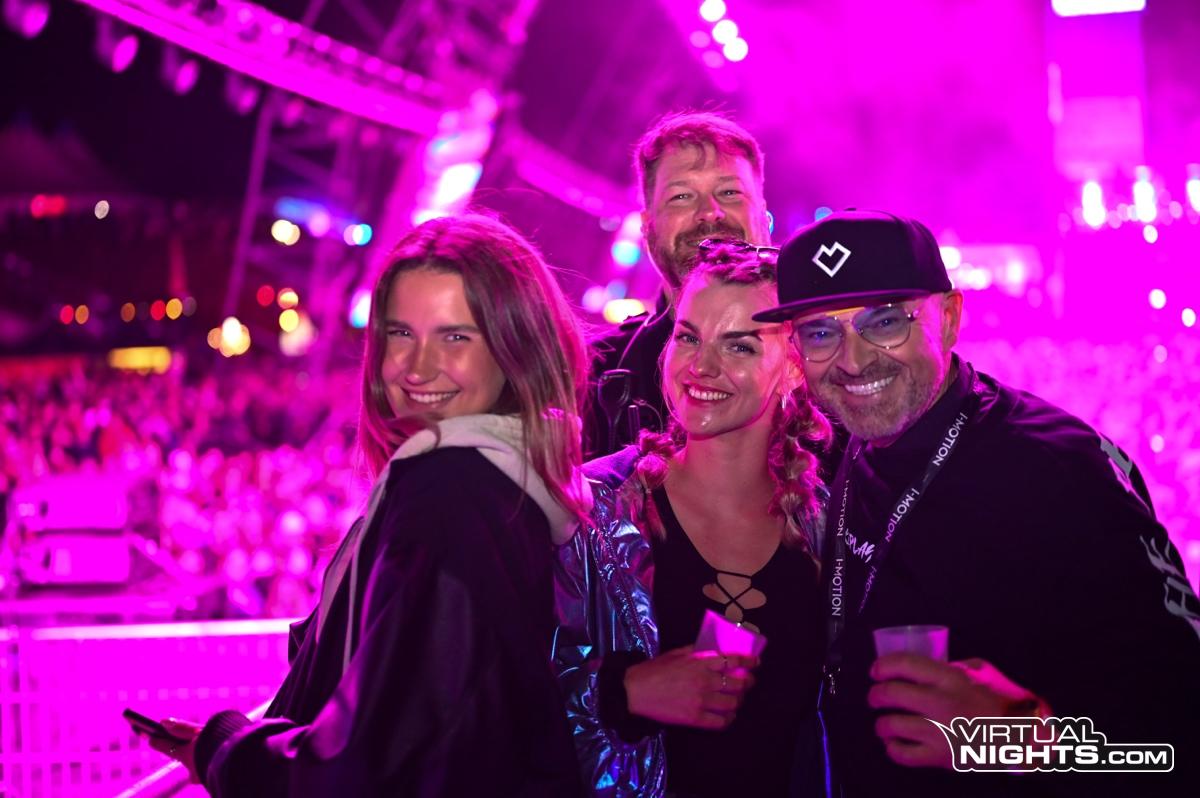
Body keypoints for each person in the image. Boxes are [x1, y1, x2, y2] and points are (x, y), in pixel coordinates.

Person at [753, 209, 1200, 797]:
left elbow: (1182, 734)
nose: (853, 361)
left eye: (885, 322)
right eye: (820, 333)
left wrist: (1025, 741)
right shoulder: (841, 446)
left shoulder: (1062, 470)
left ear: (949, 318)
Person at [147, 214, 589, 796]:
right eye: (401, 334)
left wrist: (225, 748)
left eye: (455, 336)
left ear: (516, 348)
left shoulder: (449, 490)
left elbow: (368, 766)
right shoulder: (509, 479)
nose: (417, 368)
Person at [555, 240, 833, 796]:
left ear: (793, 368)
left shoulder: (825, 528)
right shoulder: (593, 510)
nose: (701, 366)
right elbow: (489, 693)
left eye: (740, 346)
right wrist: (623, 691)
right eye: (688, 337)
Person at [585, 111, 774, 458]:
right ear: (647, 227)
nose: (710, 212)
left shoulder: (821, 355)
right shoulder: (593, 373)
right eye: (682, 197)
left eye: (730, 192)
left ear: (763, 217)